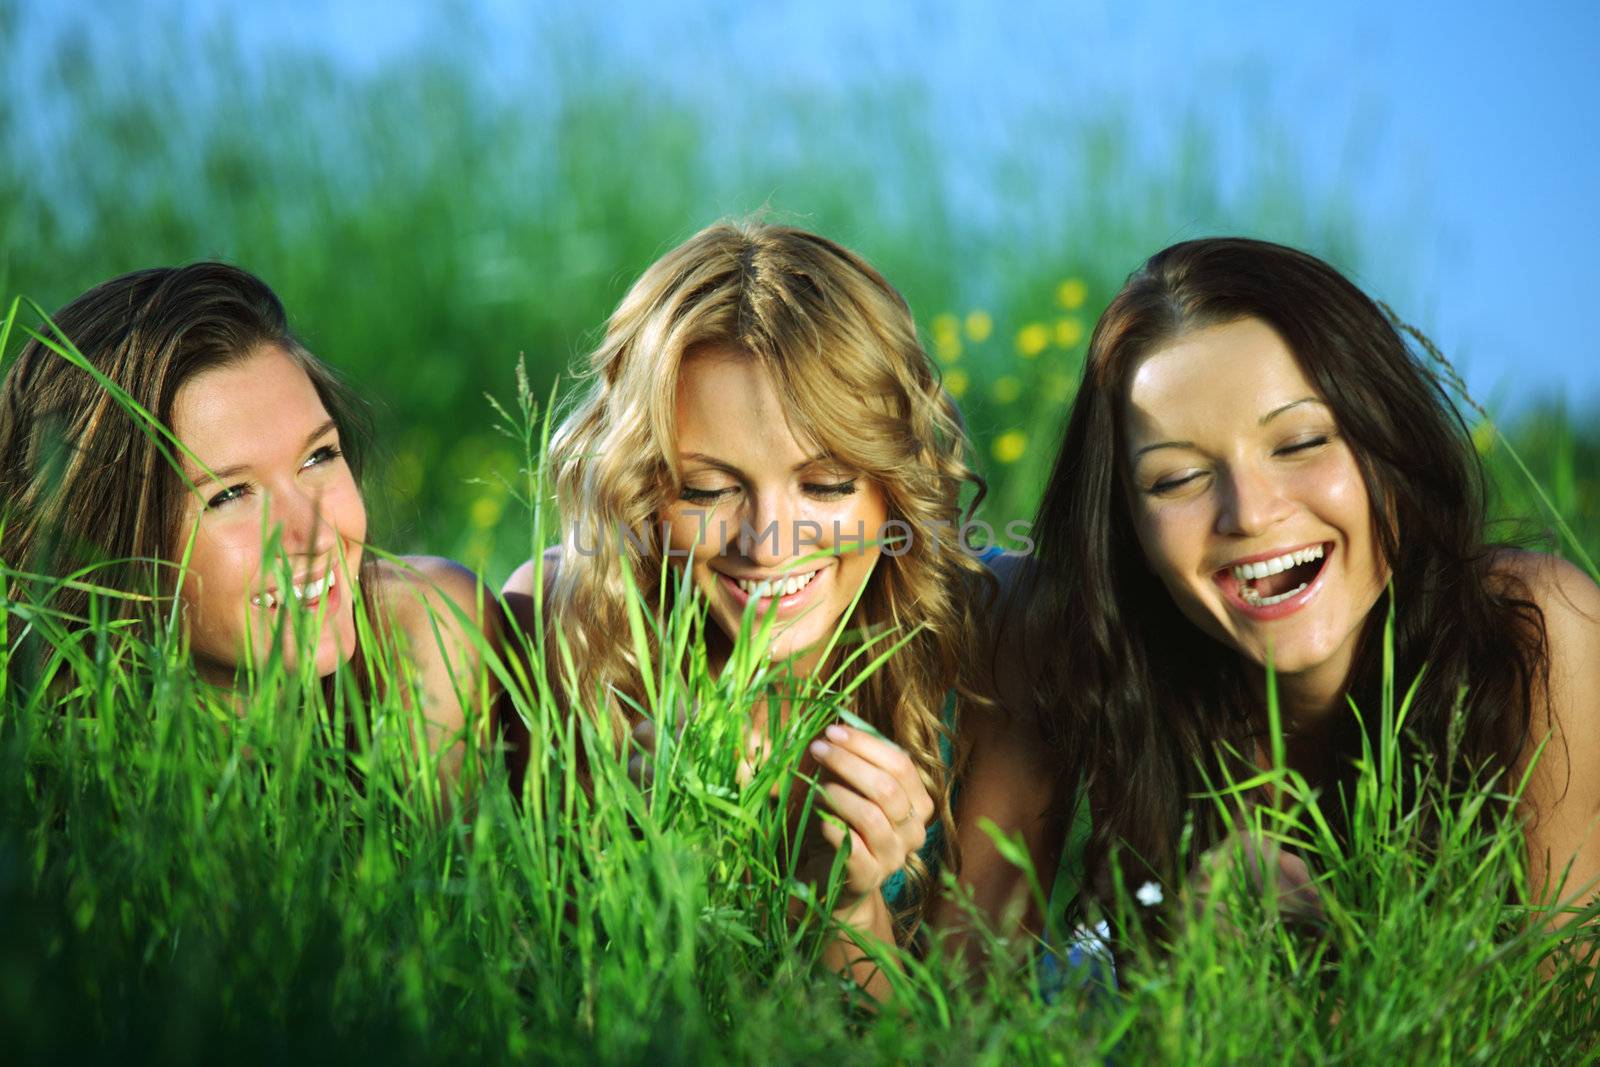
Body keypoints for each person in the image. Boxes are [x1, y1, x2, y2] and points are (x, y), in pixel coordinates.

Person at [1015, 236, 1600, 950]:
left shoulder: (1536, 632)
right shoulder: (1136, 685)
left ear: (1389, 437)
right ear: (1129, 532)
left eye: (1299, 442)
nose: (1251, 512)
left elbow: (1559, 1013)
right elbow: (1127, 913)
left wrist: (1334, 945)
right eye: (1175, 478)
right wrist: (1179, 940)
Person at [502, 220, 993, 994]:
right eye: (705, 489)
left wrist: (850, 910)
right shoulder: (563, 628)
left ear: (893, 483)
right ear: (639, 491)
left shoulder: (982, 647)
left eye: (826, 483)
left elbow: (967, 1038)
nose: (768, 541)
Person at [0, 263, 490, 793]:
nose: (316, 534)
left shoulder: (425, 634)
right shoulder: (44, 778)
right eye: (230, 494)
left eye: (318, 457)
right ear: (104, 542)